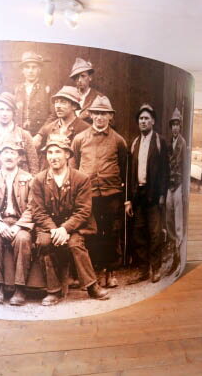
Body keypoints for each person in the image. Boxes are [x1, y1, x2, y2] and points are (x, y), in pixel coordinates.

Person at [30, 135, 110, 305]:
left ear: (67, 154)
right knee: (44, 242)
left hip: (74, 227)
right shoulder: (38, 180)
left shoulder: (81, 179)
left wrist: (65, 229)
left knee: (75, 244)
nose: (53, 156)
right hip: (49, 228)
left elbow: (83, 211)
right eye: (49, 152)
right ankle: (53, 291)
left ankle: (91, 286)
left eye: (58, 151)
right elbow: (38, 211)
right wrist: (54, 229)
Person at [72, 95, 127, 288]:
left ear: (110, 116)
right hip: (88, 196)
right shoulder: (80, 139)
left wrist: (125, 196)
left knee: (111, 233)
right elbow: (74, 167)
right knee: (90, 233)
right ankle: (91, 274)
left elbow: (124, 168)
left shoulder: (119, 141)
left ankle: (110, 272)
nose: (100, 117)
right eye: (96, 113)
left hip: (111, 195)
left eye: (104, 114)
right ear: (91, 115)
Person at [0, 140, 34, 306]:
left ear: (19, 158)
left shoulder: (28, 179)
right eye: (5, 152)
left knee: (22, 238)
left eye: (13, 153)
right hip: (0, 222)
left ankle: (20, 289)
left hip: (20, 223)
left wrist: (19, 226)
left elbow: (32, 207)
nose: (9, 156)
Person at [125, 104, 169, 284]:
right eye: (140, 119)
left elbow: (166, 171)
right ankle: (143, 269)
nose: (143, 122)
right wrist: (128, 200)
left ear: (153, 121)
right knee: (138, 234)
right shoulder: (135, 143)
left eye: (146, 119)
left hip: (154, 195)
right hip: (138, 196)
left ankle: (155, 268)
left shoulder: (160, 142)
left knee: (155, 233)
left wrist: (162, 195)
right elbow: (129, 174)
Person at [0, 92, 39, 176]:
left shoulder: (24, 135)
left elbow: (34, 167)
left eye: (8, 110)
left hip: (21, 183)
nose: (4, 114)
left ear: (13, 113)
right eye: (1, 109)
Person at [35, 85, 89, 169]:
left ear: (74, 106)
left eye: (63, 102)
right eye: (56, 102)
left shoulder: (85, 129)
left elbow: (87, 161)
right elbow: (44, 161)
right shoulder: (49, 128)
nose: (57, 106)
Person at [166, 108, 186, 276]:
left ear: (180, 127)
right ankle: (173, 256)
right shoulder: (168, 143)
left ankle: (179, 258)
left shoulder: (182, 143)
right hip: (169, 186)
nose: (175, 128)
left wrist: (184, 190)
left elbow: (184, 168)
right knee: (169, 220)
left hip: (178, 186)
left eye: (177, 125)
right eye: (173, 125)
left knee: (178, 222)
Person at [14, 51, 53, 137]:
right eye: (27, 67)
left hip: (39, 136)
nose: (30, 71)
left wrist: (40, 135)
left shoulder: (46, 89)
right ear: (22, 70)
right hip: (19, 135)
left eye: (34, 67)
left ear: (39, 69)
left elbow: (53, 115)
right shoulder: (17, 90)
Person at [69, 58, 104, 124]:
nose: (79, 80)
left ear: (90, 77)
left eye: (83, 76)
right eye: (76, 77)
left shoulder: (99, 97)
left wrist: (90, 115)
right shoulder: (68, 96)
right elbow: (53, 118)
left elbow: (110, 123)